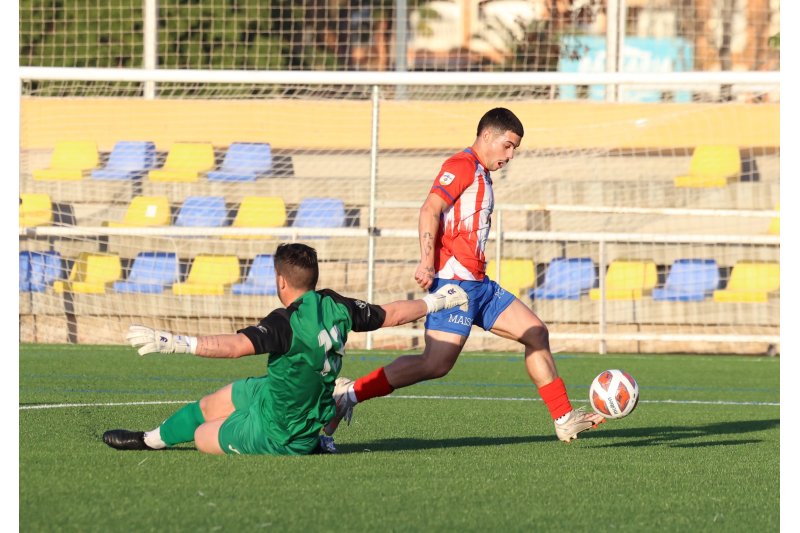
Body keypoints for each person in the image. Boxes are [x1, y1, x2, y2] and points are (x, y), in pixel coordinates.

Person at [324, 107, 605, 443]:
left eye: (514, 148)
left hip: (481, 286)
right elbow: (430, 208)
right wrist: (427, 260)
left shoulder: (483, 173)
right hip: (454, 287)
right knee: (435, 365)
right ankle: (349, 394)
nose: (510, 155)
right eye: (508, 145)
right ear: (487, 136)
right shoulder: (461, 165)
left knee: (536, 333)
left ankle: (563, 417)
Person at [103, 242, 468, 456]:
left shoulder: (285, 322)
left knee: (202, 436)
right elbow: (389, 315)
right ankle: (150, 439)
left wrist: (176, 343)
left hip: (282, 431)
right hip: (277, 394)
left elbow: (233, 347)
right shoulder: (336, 305)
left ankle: (315, 438)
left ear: (280, 280)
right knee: (215, 401)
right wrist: (435, 302)